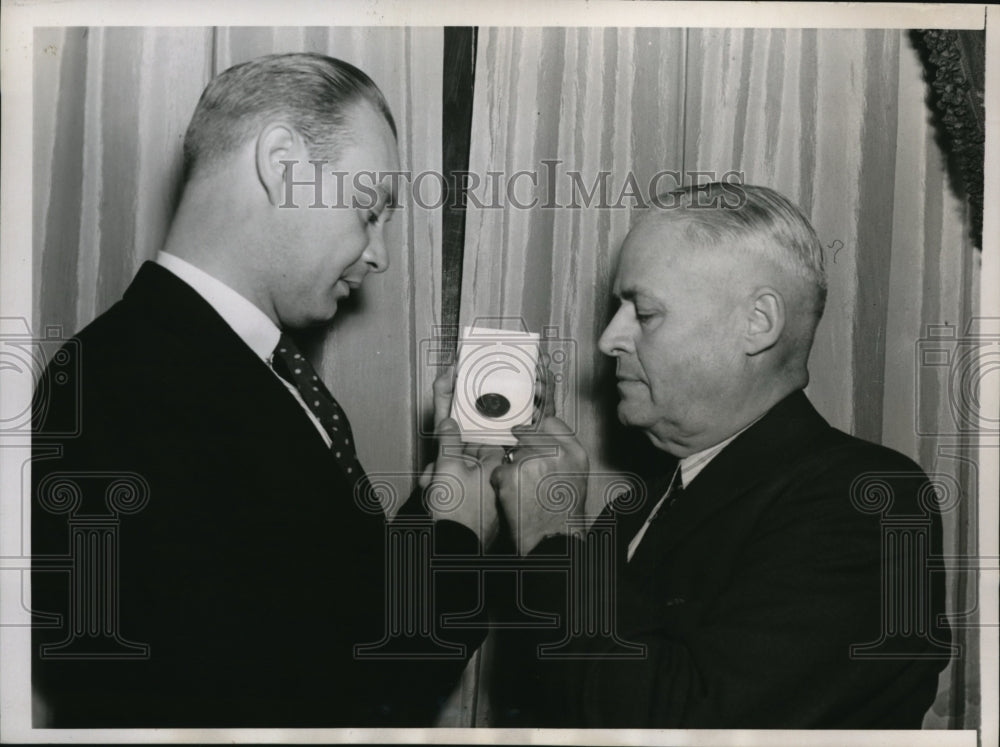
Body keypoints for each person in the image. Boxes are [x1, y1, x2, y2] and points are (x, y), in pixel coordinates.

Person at [31, 53, 490, 728]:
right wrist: (459, 538)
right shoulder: (121, 386)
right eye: (369, 210)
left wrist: (445, 491)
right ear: (282, 163)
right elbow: (315, 696)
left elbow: (334, 601)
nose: (380, 254)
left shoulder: (232, 364)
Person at [482, 183, 952, 727]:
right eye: (618, 310)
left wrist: (549, 539)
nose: (610, 338)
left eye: (645, 312)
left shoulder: (870, 499)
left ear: (757, 323)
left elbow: (687, 722)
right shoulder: (639, 504)